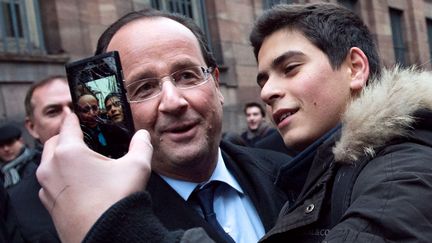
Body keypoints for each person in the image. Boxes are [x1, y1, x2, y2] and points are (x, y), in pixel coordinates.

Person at [37, 8, 292, 243]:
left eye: (186, 76)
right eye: (145, 87)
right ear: (117, 109)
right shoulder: (88, 224)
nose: (173, 102)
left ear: (216, 84)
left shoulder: (289, 175)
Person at [249, 2, 432, 242]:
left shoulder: (401, 171)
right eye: (263, 82)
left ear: (355, 68)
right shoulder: (317, 174)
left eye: (290, 68)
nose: (267, 93)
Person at [7, 76, 72, 242]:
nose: (71, 118)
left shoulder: (132, 171)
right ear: (32, 127)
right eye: (53, 111)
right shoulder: (14, 204)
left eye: (75, 107)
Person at [76, 92, 130, 158]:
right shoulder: (78, 138)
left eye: (94, 108)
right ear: (78, 114)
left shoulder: (111, 129)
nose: (92, 113)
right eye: (85, 110)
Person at [0, 123, 33, 188]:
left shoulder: (37, 161)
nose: (6, 149)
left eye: (10, 143)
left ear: (21, 141)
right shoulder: (2, 173)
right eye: (1, 145)